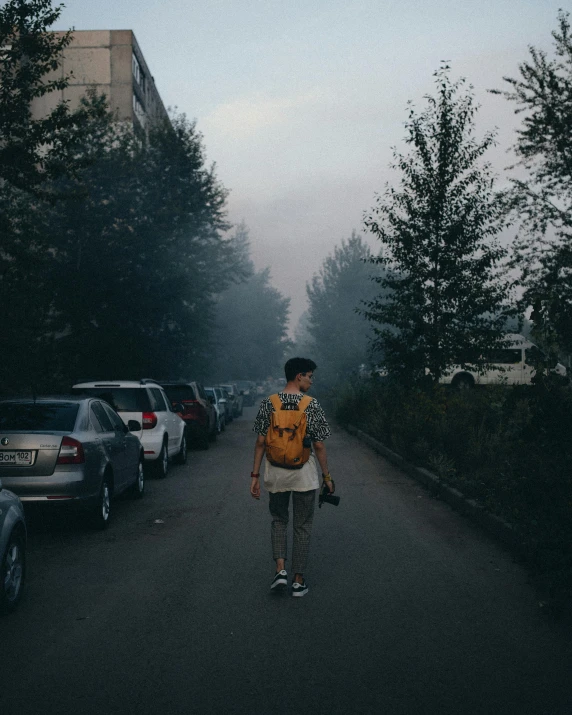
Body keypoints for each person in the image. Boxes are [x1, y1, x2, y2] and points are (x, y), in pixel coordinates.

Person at [250, 357, 335, 597]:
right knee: (303, 526)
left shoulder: (270, 403)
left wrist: (255, 475)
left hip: (275, 475)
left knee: (279, 520)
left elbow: (259, 442)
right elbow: (318, 445)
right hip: (303, 476)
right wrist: (327, 476)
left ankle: (280, 571)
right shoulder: (311, 404)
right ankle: (298, 581)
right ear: (299, 376)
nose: (311, 381)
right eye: (309, 376)